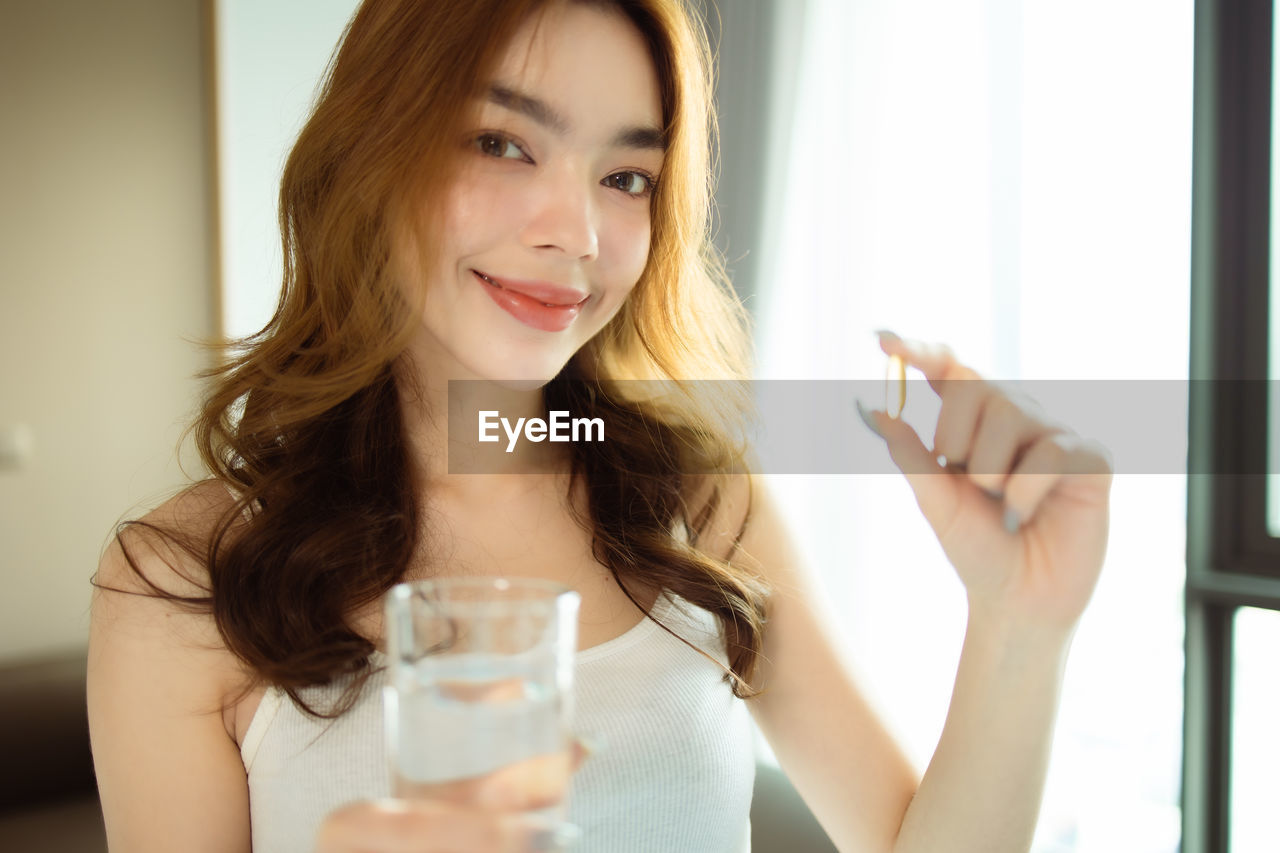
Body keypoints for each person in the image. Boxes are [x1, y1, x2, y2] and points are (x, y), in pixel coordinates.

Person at [86, 0, 1113, 851]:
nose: (574, 234)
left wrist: (1022, 621)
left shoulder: (702, 501)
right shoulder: (180, 583)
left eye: (625, 177)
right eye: (501, 143)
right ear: (368, 156)